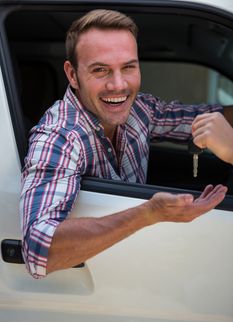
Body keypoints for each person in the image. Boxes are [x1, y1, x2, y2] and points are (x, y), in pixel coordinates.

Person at [20, 9, 232, 279]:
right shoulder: (59, 137)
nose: (118, 85)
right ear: (72, 75)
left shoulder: (140, 109)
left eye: (128, 67)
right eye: (100, 70)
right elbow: (38, 252)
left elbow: (207, 118)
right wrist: (147, 213)